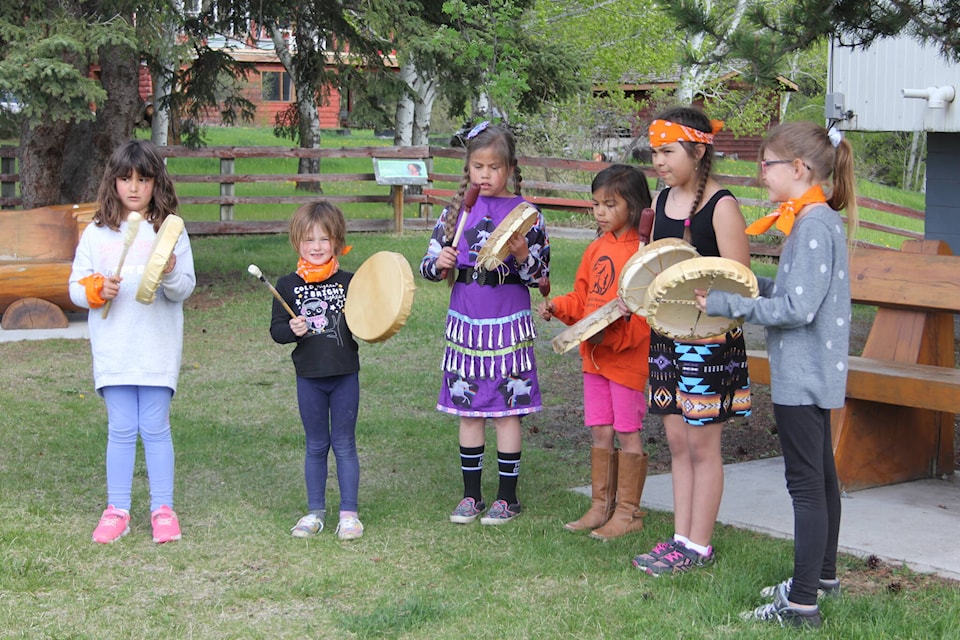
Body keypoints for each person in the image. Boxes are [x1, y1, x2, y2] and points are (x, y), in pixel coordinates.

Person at [700, 121, 856, 628]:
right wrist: (743, 283)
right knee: (823, 478)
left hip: (802, 376)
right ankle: (823, 578)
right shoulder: (814, 220)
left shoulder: (812, 225)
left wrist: (731, 304)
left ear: (798, 168)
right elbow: (792, 289)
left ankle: (802, 604)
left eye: (767, 165)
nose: (760, 174)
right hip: (814, 373)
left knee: (807, 487)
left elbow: (798, 308)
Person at [632, 106, 752, 575]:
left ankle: (699, 545)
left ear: (698, 150)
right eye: (654, 151)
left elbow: (740, 284)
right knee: (678, 444)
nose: (658, 161)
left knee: (704, 448)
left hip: (710, 344)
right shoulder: (661, 202)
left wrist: (708, 298)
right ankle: (680, 538)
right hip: (666, 340)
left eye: (667, 150)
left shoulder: (722, 205)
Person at [419, 121, 550, 525]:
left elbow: (540, 278)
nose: (485, 175)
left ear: (510, 168)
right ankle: (471, 496)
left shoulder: (527, 215)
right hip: (467, 321)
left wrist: (525, 254)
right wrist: (437, 263)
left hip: (507, 321)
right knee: (470, 409)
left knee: (508, 408)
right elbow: (428, 264)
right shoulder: (456, 212)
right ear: (468, 168)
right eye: (478, 167)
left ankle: (506, 498)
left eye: (494, 167)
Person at [69, 139, 196, 544]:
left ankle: (163, 509)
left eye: (144, 179)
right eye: (126, 179)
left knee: (155, 427)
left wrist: (172, 270)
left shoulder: (170, 230)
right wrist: (95, 289)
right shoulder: (98, 233)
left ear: (157, 182)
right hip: (115, 348)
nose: (135, 187)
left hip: (157, 348)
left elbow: (184, 289)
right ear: (114, 182)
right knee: (122, 428)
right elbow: (75, 287)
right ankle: (117, 509)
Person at [537, 164, 653, 540]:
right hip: (593, 360)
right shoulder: (595, 248)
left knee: (627, 431)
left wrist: (613, 340)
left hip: (625, 361)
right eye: (595, 204)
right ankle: (600, 506)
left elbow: (645, 314)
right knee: (601, 431)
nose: (600, 212)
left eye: (609, 204)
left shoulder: (642, 253)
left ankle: (628, 512)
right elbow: (584, 300)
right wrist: (558, 307)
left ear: (634, 207)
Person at [269, 202, 364, 541]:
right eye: (309, 240)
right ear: (298, 243)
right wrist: (290, 330)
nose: (317, 246)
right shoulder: (286, 285)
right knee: (315, 445)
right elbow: (276, 331)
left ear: (337, 241)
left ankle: (349, 514)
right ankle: (314, 512)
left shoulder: (351, 282)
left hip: (344, 376)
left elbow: (369, 322)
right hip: (309, 378)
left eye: (325, 239)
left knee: (344, 443)